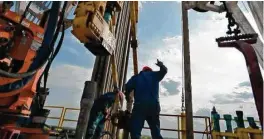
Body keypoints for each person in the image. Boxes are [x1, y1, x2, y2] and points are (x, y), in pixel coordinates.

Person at [125, 59, 168, 139]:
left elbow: (127, 87)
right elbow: (164, 71)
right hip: (154, 106)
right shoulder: (155, 75)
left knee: (135, 131)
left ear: (143, 71)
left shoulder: (136, 78)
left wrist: (127, 96)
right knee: (156, 131)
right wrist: (161, 65)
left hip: (140, 106)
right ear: (150, 71)